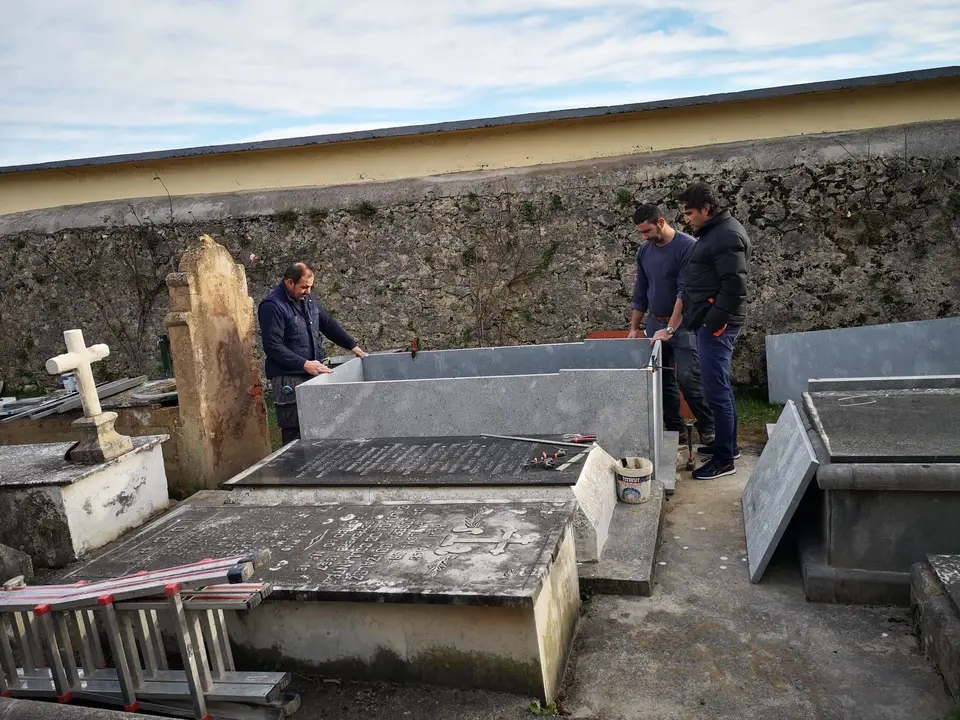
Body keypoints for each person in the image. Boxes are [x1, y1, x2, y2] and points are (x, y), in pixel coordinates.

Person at [676, 182, 752, 480]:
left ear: (707, 208)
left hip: (717, 326)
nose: (686, 219)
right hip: (712, 322)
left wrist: (713, 322)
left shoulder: (726, 235)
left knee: (716, 390)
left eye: (690, 212)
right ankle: (727, 446)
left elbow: (735, 287)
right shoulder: (716, 232)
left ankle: (724, 459)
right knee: (717, 388)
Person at [627, 203, 714, 447]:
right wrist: (635, 328)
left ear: (661, 222)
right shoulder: (645, 252)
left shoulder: (687, 247)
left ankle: (708, 425)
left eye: (647, 231)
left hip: (684, 326)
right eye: (641, 233)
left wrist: (672, 329)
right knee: (660, 380)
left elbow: (684, 292)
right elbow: (641, 290)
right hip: (656, 324)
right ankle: (676, 429)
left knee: (688, 377)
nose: (644, 237)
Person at [258, 262, 367, 444]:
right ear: (289, 282)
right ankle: (293, 471)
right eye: (303, 287)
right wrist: (305, 364)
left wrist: (352, 346)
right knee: (296, 434)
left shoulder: (308, 300)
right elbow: (273, 347)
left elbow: (328, 324)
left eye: (310, 287)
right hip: (289, 378)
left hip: (312, 372)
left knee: (319, 428)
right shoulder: (272, 306)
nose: (307, 291)